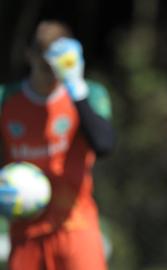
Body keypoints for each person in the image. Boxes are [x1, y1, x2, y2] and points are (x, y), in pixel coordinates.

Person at [0, 20, 115, 270]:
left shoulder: (87, 95)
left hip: (75, 226)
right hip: (25, 232)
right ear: (29, 56)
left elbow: (104, 144)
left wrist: (77, 89)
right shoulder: (6, 100)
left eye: (57, 70)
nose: (52, 78)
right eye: (45, 68)